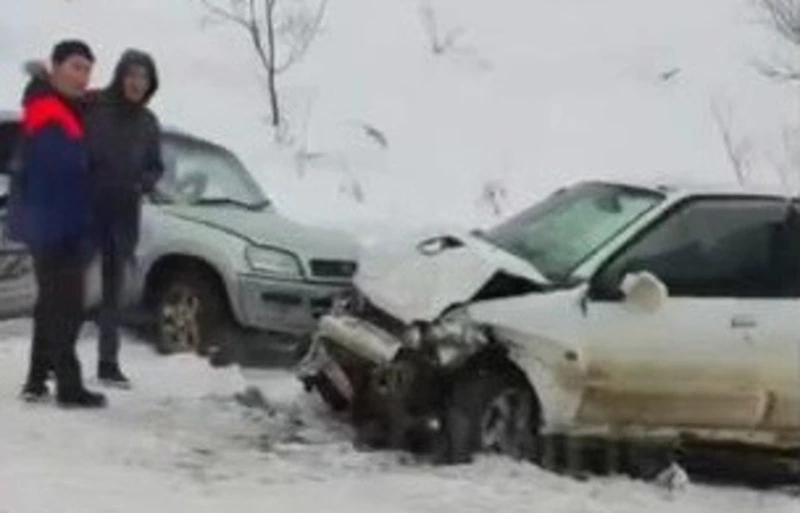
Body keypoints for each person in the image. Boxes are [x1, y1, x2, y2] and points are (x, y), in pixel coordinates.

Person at [9, 40, 107, 408]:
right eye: (76, 67)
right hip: (58, 226)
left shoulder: (57, 106)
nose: (83, 77)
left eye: (87, 70)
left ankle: (37, 379)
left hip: (51, 223)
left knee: (51, 303)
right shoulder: (49, 112)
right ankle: (69, 386)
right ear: (55, 67)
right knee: (67, 307)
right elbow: (60, 176)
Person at [85, 49, 164, 388]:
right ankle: (52, 361)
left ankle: (108, 364)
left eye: (144, 77)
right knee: (68, 289)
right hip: (87, 211)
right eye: (132, 75)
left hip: (123, 217)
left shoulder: (148, 122)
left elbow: (155, 166)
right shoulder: (95, 108)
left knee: (111, 297)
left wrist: (144, 182)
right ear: (120, 77)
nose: (137, 83)